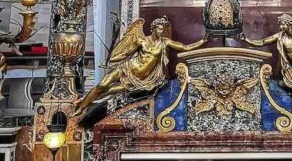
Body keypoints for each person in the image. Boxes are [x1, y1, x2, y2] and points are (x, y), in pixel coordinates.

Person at [75, 17, 203, 116]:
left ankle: (87, 103)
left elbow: (185, 47)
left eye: (162, 29)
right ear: (153, 28)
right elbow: (126, 53)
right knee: (102, 85)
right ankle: (80, 108)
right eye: (158, 28)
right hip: (127, 68)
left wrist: (203, 41)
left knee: (110, 91)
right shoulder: (141, 41)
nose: (161, 31)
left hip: (142, 79)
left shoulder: (165, 42)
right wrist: (113, 59)